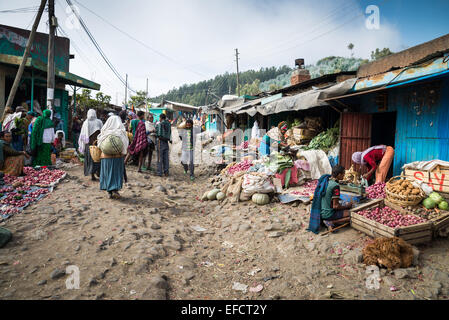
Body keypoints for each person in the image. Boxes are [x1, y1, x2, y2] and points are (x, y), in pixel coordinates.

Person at [307, 165, 352, 234]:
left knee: (342, 204)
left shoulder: (326, 181)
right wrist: (348, 206)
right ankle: (332, 221)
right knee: (351, 215)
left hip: (321, 211)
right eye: (343, 174)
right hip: (328, 214)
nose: (343, 176)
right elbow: (335, 206)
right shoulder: (335, 186)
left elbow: (328, 196)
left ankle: (326, 220)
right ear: (339, 174)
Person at [97, 115, 129, 199]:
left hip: (105, 157)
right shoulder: (121, 132)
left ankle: (109, 191)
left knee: (107, 172)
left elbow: (99, 144)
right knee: (115, 173)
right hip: (118, 157)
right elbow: (125, 145)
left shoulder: (104, 132)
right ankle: (115, 190)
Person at [78, 109, 103, 181]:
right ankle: (98, 172)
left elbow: (83, 134)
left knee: (90, 159)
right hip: (97, 143)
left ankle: (92, 174)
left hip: (88, 144)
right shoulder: (99, 122)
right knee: (98, 159)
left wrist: (85, 142)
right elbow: (102, 132)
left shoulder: (86, 122)